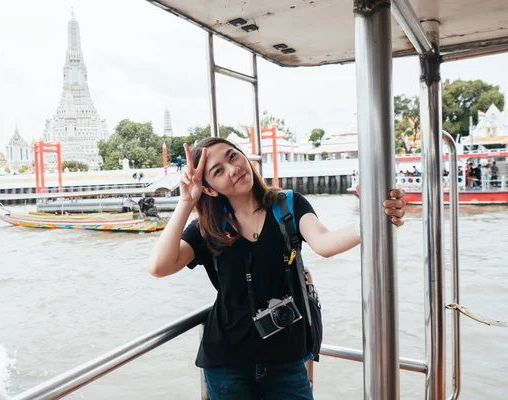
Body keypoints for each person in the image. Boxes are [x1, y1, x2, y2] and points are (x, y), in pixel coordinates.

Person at [147, 138, 406, 400]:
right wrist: (186, 203)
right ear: (210, 189)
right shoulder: (209, 229)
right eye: (218, 171)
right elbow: (159, 266)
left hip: (286, 360)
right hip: (226, 364)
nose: (233, 168)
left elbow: (324, 243)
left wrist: (372, 220)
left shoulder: (287, 206)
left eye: (233, 156)